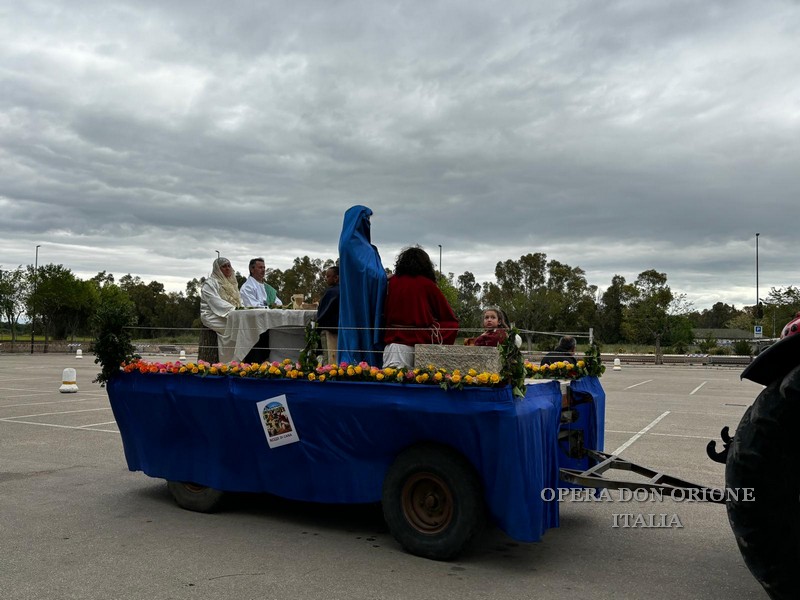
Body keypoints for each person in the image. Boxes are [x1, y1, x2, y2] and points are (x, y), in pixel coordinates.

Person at [383, 246, 459, 369]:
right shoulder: (428, 285)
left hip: (395, 346)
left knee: (394, 383)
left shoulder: (391, 282)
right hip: (423, 346)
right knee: (423, 383)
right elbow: (449, 319)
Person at [337, 205, 388, 366]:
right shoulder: (350, 244)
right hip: (358, 297)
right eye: (366, 219)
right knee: (357, 336)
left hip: (367, 295)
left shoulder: (362, 245)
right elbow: (370, 272)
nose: (368, 224)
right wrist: (384, 277)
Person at [200, 256, 242, 339]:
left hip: (232, 313)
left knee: (245, 326)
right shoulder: (210, 283)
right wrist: (235, 311)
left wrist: (243, 310)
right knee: (239, 329)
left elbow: (239, 299)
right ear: (217, 269)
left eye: (229, 266)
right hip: (213, 315)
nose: (227, 268)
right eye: (224, 266)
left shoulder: (232, 283)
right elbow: (216, 302)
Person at [315, 265, 340, 365]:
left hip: (329, 330)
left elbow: (322, 313)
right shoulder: (347, 290)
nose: (326, 279)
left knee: (328, 359)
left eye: (328, 276)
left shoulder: (331, 292)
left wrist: (317, 326)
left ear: (336, 277)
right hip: (340, 331)